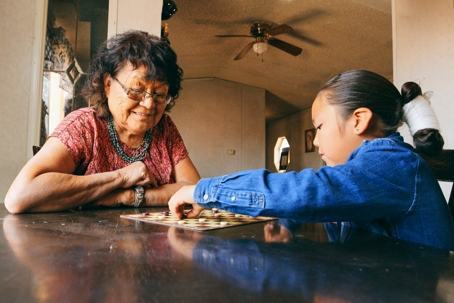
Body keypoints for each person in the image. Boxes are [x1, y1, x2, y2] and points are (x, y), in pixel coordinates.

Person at [169, 69, 454, 251]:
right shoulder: (366, 170)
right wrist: (287, 221)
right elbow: (330, 200)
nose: (315, 140)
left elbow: (312, 191)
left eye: (319, 127)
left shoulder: (392, 162)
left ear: (358, 121)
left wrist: (203, 190)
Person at [5, 30, 200, 213]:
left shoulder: (164, 127)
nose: (149, 104)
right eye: (136, 90)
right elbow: (20, 196)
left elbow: (194, 191)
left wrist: (128, 196)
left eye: (159, 94)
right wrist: (121, 177)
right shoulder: (84, 126)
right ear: (108, 84)